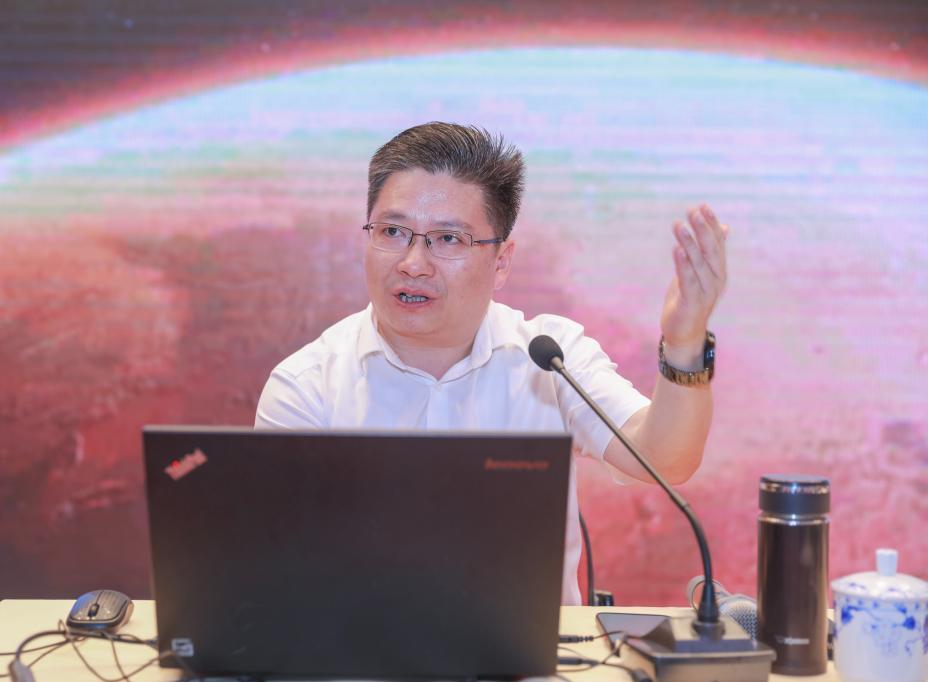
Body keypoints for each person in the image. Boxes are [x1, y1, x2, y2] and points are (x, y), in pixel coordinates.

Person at [255, 122, 728, 605]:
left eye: (448, 239)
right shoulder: (307, 386)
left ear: (501, 262)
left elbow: (664, 457)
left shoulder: (549, 358)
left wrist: (685, 342)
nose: (413, 263)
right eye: (392, 232)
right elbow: (276, 571)